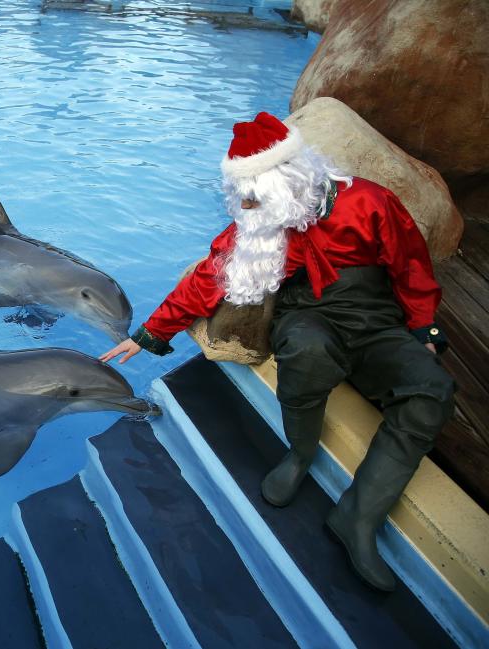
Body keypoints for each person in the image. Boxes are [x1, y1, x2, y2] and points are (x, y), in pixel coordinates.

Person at [100, 112, 455, 592]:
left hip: (375, 319)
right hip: (307, 314)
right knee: (306, 351)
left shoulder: (370, 202)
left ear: (289, 178)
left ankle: (358, 517)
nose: (246, 203)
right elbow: (210, 276)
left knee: (431, 390)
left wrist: (424, 329)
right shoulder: (264, 221)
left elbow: (411, 266)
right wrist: (149, 333)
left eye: (254, 192)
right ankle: (300, 455)